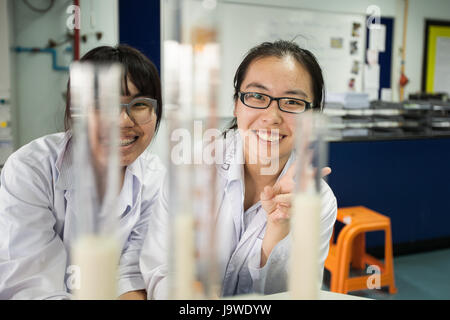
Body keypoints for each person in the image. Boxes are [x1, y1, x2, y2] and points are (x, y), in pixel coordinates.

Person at [140, 40, 337, 298]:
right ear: (236, 103)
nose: (272, 116)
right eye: (257, 96)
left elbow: (297, 294)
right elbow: (161, 267)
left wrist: (275, 238)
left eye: (291, 102)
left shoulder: (318, 203)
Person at [0, 44, 164, 300]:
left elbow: (133, 274)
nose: (123, 121)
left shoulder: (155, 178)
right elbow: (31, 286)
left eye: (140, 104)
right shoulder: (31, 170)